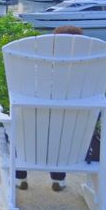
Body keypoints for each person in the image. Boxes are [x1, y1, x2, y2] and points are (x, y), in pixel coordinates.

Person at [15, 25, 84, 192]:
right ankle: (59, 180)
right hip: (75, 143)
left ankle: (20, 176)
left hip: (32, 139)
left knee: (19, 126)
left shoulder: (39, 69)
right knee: (62, 131)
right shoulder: (90, 74)